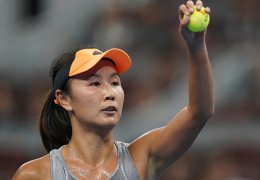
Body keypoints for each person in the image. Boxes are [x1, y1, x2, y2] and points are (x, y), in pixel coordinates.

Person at [12, 0, 214, 179]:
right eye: (95, 83)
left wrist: (196, 48)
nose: (110, 93)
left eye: (115, 82)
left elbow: (199, 112)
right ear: (64, 99)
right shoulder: (35, 174)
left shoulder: (141, 156)